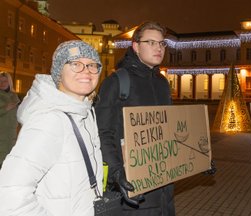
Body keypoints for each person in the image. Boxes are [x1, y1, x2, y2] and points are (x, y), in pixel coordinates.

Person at [0, 40, 103, 216]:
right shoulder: (50, 120)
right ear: (58, 72)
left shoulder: (83, 112)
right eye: (76, 64)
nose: (86, 70)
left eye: (92, 65)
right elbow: (8, 196)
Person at [95, 21, 175, 215]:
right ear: (136, 46)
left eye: (161, 43)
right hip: (133, 191)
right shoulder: (117, 81)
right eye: (151, 42)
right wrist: (117, 173)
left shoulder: (163, 83)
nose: (158, 48)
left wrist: (198, 156)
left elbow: (168, 128)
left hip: (165, 192)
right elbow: (102, 132)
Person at [0, 71, 20, 167]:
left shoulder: (15, 97)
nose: (2, 84)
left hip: (11, 139)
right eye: (0, 81)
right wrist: (5, 109)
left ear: (9, 82)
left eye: (5, 81)